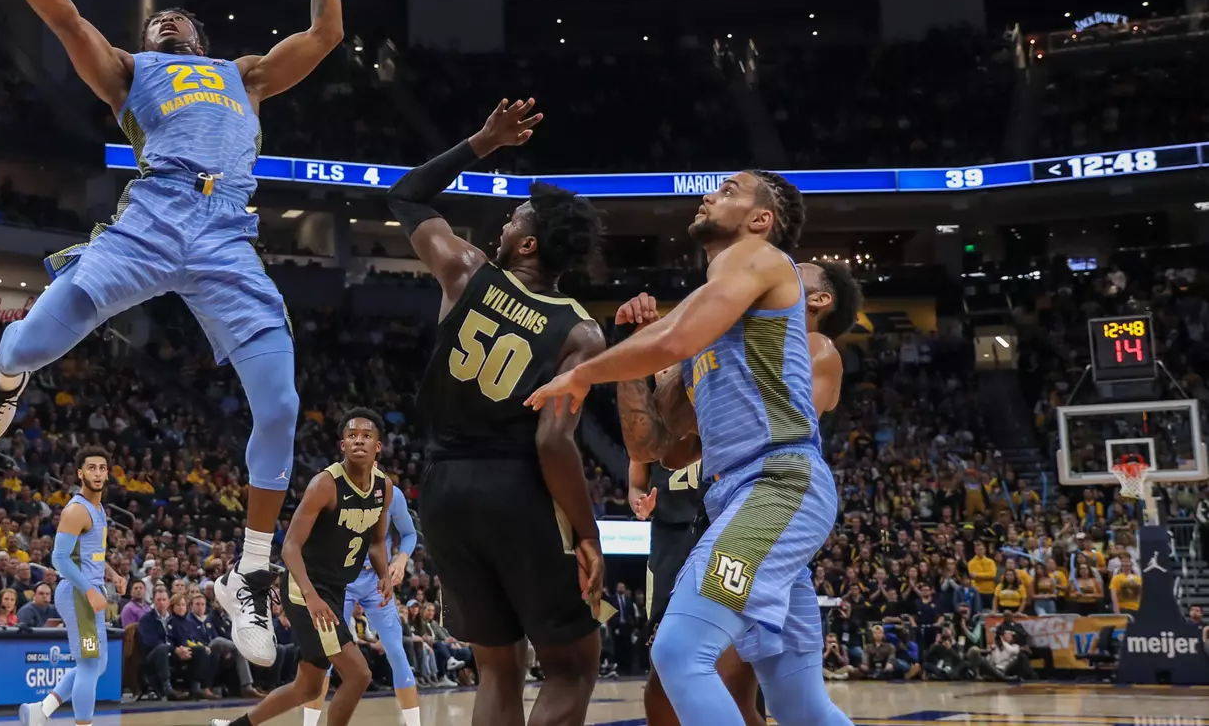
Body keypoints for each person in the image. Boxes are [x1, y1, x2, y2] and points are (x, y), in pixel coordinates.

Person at [0, 0, 343, 668]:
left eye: (177, 17)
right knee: (31, 346)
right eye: (155, 18)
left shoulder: (244, 75)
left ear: (198, 38)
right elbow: (62, 15)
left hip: (227, 234)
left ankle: (250, 574)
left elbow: (326, 35)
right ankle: (4, 375)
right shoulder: (131, 71)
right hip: (153, 218)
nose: (164, 20)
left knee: (280, 404)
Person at [529, 171, 851, 726]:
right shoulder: (713, 322)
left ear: (761, 219)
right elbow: (657, 446)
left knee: (680, 653)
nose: (709, 195)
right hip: (739, 497)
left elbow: (672, 340)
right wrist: (632, 348)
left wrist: (583, 374)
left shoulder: (758, 255)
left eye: (729, 191)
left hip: (777, 485)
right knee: (799, 705)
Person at [385, 99, 607, 726]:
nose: (502, 229)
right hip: (516, 492)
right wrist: (587, 533)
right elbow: (553, 442)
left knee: (498, 668)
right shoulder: (580, 332)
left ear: (527, 243)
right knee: (571, 666)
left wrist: (480, 143)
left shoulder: (466, 272)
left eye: (512, 222)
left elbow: (406, 195)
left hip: (443, 491)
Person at [619, 257, 859, 726]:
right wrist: (647, 355)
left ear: (818, 299)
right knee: (799, 707)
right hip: (729, 508)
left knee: (683, 656)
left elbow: (773, 417)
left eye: (793, 272)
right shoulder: (727, 350)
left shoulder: (815, 346)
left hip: (774, 496)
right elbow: (670, 453)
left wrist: (682, 356)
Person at [209, 410, 392, 726]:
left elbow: (376, 541)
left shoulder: (383, 487)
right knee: (359, 674)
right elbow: (290, 546)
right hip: (304, 585)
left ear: (378, 446)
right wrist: (311, 596)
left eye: (366, 436)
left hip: (334, 588)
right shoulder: (325, 484)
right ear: (342, 445)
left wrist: (384, 573)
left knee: (307, 687)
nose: (359, 440)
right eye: (352, 436)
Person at [302, 465, 420, 726]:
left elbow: (410, 534)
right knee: (326, 657)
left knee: (396, 651)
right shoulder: (331, 489)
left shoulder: (391, 493)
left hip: (376, 580)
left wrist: (400, 561)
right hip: (339, 580)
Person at [19, 448, 114, 726]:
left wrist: (115, 575)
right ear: (80, 473)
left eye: (102, 468)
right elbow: (59, 558)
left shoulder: (99, 508)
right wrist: (90, 591)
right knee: (89, 665)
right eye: (91, 468)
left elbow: (92, 554)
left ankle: (41, 711)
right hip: (78, 594)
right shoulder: (76, 510)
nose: (97, 473)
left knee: (98, 664)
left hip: (88, 591)